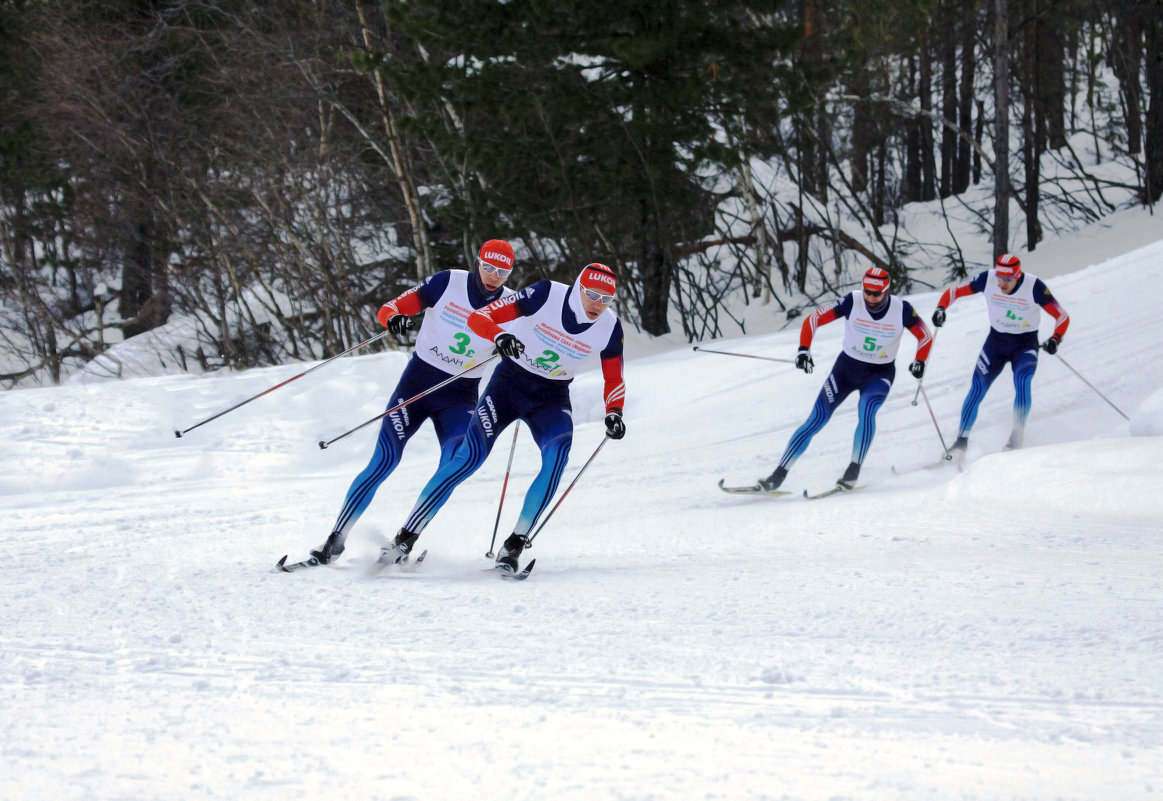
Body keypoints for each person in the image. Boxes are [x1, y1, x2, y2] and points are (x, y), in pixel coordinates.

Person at [380, 262, 627, 573]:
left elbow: (614, 377)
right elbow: (479, 317)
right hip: (508, 386)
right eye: (592, 295)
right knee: (469, 459)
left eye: (607, 299)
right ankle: (405, 538)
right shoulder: (546, 294)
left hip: (551, 399)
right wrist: (499, 336)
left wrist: (614, 411)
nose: (598, 305)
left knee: (557, 458)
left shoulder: (609, 326)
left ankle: (514, 545)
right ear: (578, 289)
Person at [305, 239, 518, 565]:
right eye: (488, 267)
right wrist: (393, 319)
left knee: (454, 463)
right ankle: (336, 539)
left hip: (460, 396)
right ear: (477, 262)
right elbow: (388, 309)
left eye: (502, 272)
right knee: (384, 460)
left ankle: (406, 539)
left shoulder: (511, 306)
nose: (493, 276)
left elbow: (527, 347)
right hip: (416, 386)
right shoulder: (447, 282)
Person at [758, 266, 933, 492]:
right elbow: (813, 319)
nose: (870, 298)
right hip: (846, 370)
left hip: (879, 374)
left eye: (876, 293)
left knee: (866, 409)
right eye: (867, 291)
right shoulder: (852, 301)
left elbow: (925, 336)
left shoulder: (901, 309)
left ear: (887, 291)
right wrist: (803, 350)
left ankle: (853, 470)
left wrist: (920, 361)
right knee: (816, 419)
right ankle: (777, 475)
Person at [930, 252, 1070, 452]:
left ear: (1018, 276)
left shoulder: (1034, 286)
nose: (1002, 284)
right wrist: (940, 308)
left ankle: (1016, 438)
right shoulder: (987, 278)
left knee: (1022, 382)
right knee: (977, 387)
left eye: (1008, 280)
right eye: (1000, 278)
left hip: (1025, 345)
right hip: (996, 343)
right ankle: (961, 442)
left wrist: (1056, 338)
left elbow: (1062, 316)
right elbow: (954, 292)